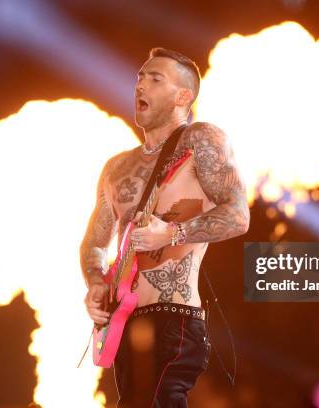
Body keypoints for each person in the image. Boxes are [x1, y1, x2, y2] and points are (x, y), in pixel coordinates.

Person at [80, 47, 249, 407]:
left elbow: (237, 215)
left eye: (155, 79)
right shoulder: (116, 168)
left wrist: (172, 233)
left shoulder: (200, 140)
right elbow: (95, 242)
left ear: (183, 96)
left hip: (174, 318)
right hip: (124, 326)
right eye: (140, 77)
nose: (140, 84)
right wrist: (95, 281)